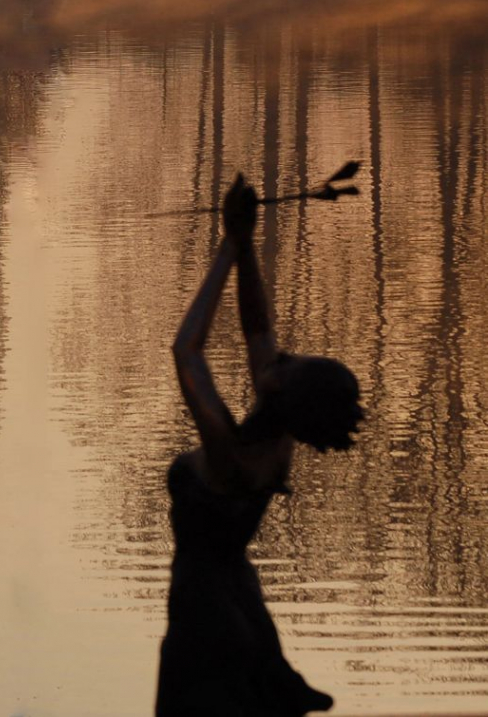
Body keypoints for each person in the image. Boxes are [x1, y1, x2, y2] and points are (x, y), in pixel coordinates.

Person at [156, 174, 364, 716]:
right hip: (242, 604)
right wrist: (246, 244)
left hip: (204, 616)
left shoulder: (229, 451)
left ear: (281, 391)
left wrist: (228, 245)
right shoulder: (277, 444)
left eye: (288, 365)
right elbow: (257, 327)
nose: (282, 355)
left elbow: (186, 350)